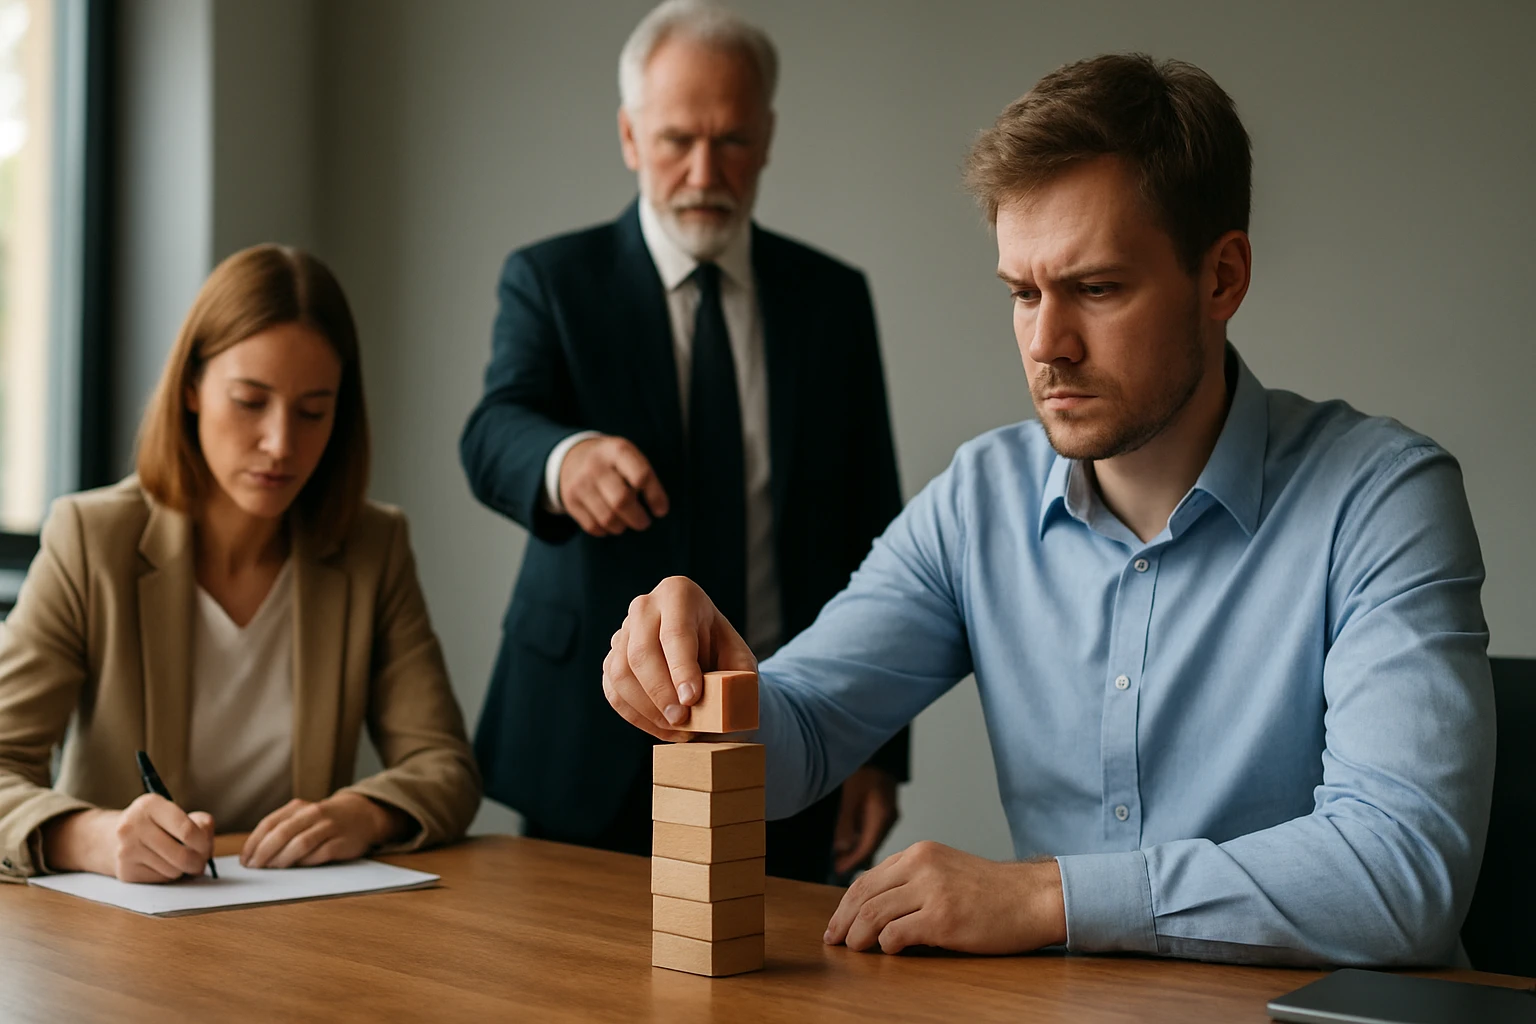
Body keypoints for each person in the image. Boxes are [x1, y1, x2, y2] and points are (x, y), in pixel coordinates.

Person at [600, 53, 1495, 966]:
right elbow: (804, 732)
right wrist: (710, 682)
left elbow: (1402, 873)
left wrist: (1046, 895)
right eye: (1022, 293)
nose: (1046, 344)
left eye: (1096, 289)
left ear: (1222, 278)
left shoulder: (1384, 499)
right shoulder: (978, 500)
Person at [461, 1, 910, 883]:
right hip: (583, 740)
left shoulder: (831, 299)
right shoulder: (552, 280)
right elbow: (493, 431)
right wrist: (565, 460)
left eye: (733, 140)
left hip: (782, 733)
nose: (705, 171)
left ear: (768, 137)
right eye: (676, 140)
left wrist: (877, 747)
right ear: (631, 136)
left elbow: (876, 521)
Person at [0, 244, 480, 884]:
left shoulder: (372, 546)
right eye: (250, 401)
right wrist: (91, 837)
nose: (281, 443)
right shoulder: (91, 539)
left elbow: (443, 764)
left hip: (294, 928)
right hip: (120, 933)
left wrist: (363, 814)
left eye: (313, 411)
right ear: (192, 388)